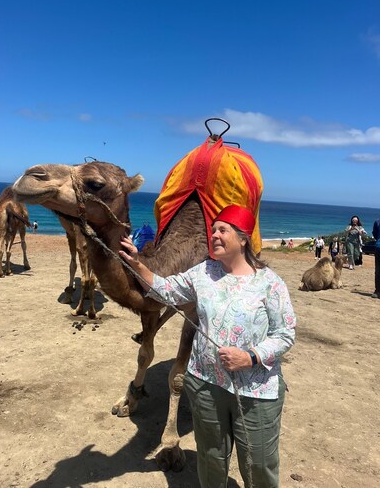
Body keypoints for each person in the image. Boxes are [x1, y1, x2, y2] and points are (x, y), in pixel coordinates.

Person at [120, 205, 296, 488]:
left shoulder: (269, 283)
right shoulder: (203, 273)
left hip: (256, 391)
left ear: (242, 239)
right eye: (213, 229)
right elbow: (165, 290)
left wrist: (251, 357)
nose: (213, 234)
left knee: (258, 464)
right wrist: (137, 263)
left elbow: (285, 334)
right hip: (205, 386)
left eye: (222, 230)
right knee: (211, 458)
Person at [371, 217, 380, 299]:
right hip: (379, 247)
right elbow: (374, 233)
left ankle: (377, 291)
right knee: (378, 270)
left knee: (378, 271)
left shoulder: (377, 221)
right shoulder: (377, 221)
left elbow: (374, 234)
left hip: (378, 246)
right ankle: (377, 291)